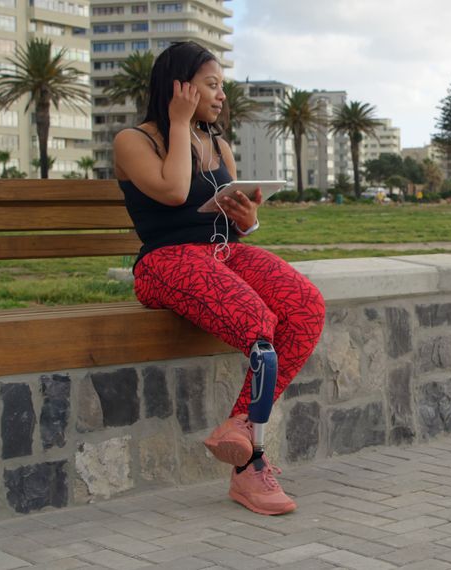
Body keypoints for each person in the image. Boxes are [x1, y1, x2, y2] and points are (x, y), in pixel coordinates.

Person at [113, 42, 325, 516]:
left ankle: (240, 428)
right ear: (180, 88)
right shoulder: (135, 141)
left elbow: (231, 223)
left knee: (306, 306)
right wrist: (181, 123)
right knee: (257, 321)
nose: (221, 95)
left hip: (225, 253)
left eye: (221, 86)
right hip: (166, 263)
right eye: (211, 85)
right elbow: (172, 193)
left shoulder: (219, 145)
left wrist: (247, 217)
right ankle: (252, 469)